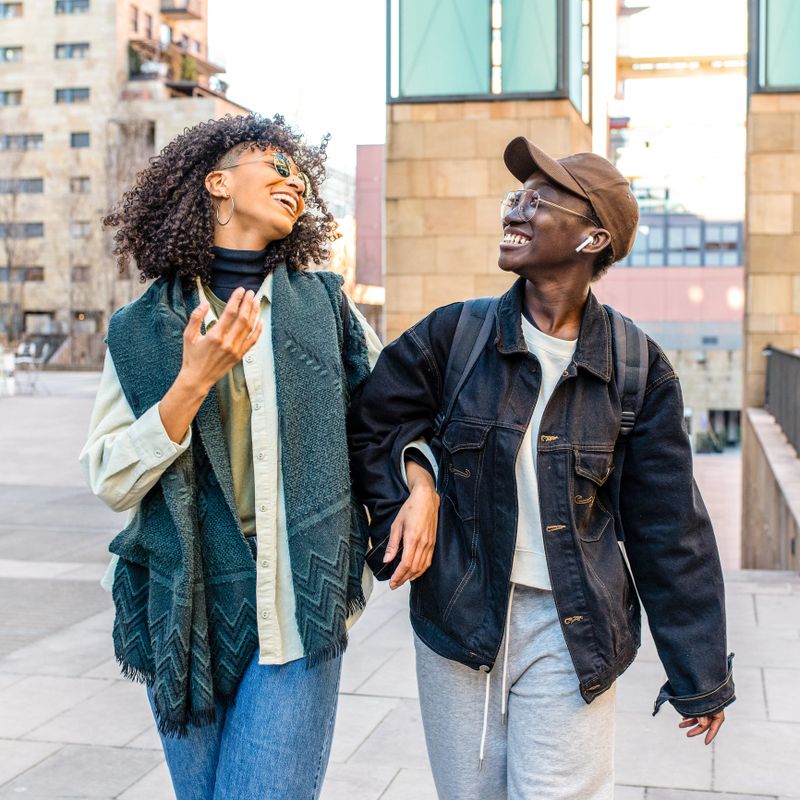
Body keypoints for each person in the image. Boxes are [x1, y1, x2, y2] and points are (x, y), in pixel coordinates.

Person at [349, 136, 735, 800]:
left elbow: (668, 527)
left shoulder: (636, 369)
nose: (515, 211)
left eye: (538, 200)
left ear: (591, 240)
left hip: (573, 626)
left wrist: (699, 672)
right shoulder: (455, 336)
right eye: (514, 198)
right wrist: (417, 480)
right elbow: (374, 422)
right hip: (460, 618)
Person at [79, 113, 435, 800]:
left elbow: (395, 414)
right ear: (216, 182)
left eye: (299, 172)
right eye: (273, 163)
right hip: (182, 615)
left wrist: (420, 480)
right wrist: (192, 381)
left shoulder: (324, 306)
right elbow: (110, 476)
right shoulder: (142, 327)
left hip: (299, 602)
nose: (293, 179)